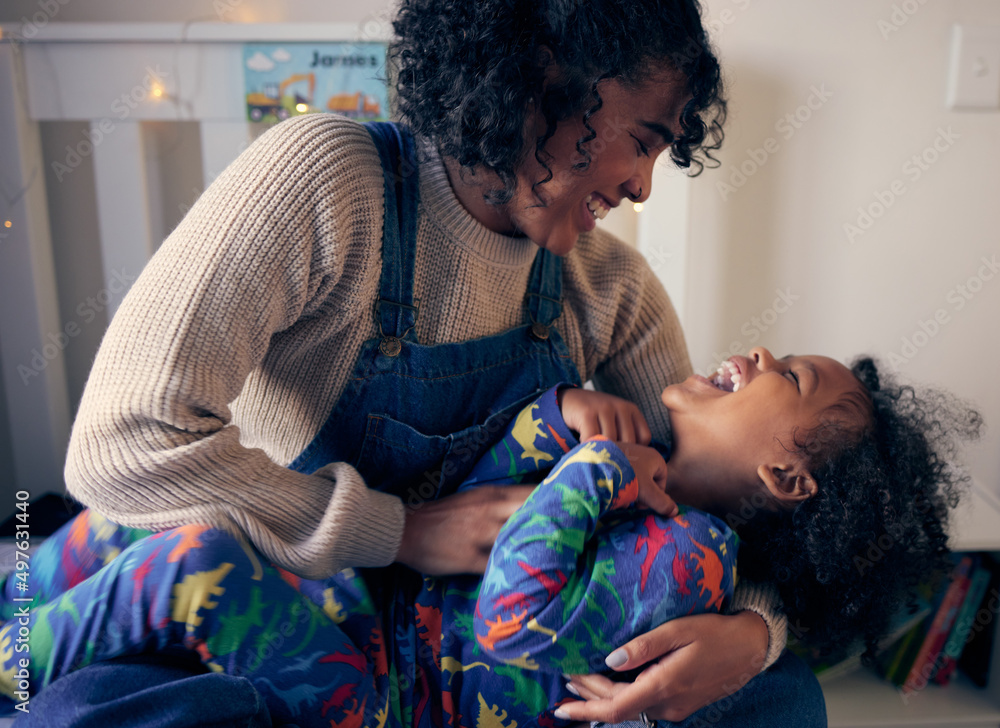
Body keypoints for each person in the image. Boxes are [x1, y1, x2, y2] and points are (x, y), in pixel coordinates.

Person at [29, 0, 825, 724]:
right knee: (90, 706)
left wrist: (754, 633)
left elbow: (709, 492)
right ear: (545, 76)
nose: (646, 187)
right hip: (293, 615)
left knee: (782, 697)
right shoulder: (327, 181)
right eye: (644, 140)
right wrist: (401, 531)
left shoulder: (612, 290)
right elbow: (119, 448)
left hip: (478, 667)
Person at [4, 348, 980, 728]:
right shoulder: (632, 453)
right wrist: (551, 420)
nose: (759, 351)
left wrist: (587, 472)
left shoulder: (687, 558)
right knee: (130, 519)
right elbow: (482, 509)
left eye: (792, 380)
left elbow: (514, 611)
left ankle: (10, 662)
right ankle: (17, 609)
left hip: (377, 696)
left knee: (197, 560)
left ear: (786, 476)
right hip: (368, 625)